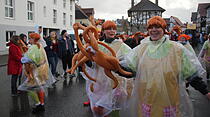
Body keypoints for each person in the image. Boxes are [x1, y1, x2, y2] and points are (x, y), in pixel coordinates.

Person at [119, 16, 210, 117]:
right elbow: (129, 71)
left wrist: (205, 92)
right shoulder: (141, 49)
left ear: (164, 29)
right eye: (151, 27)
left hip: (169, 102)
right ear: (148, 30)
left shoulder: (177, 49)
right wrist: (113, 66)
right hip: (147, 101)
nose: (154, 30)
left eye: (157, 27)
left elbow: (191, 75)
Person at [81, 20, 133, 117]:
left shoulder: (122, 46)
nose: (111, 31)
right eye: (109, 29)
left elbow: (130, 61)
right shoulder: (98, 46)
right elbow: (94, 64)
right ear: (103, 31)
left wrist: (118, 66)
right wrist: (88, 62)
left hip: (116, 83)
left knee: (114, 108)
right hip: (101, 83)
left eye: (113, 29)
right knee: (99, 110)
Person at [18, 33, 54, 113]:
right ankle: (42, 104)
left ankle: (38, 105)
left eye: (30, 38)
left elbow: (27, 60)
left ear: (33, 39)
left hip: (35, 71)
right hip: (42, 70)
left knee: (30, 88)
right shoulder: (40, 46)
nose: (29, 40)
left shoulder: (33, 48)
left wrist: (23, 60)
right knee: (39, 87)